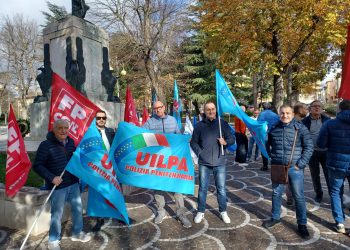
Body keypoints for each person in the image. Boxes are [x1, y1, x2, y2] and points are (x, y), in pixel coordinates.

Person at [33, 119, 91, 250]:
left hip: (73, 183)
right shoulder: (45, 145)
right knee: (57, 213)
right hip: (58, 186)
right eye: (60, 128)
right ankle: (53, 240)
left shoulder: (71, 143)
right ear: (54, 129)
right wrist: (51, 177)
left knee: (77, 209)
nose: (64, 131)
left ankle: (77, 232)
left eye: (66, 128)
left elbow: (76, 159)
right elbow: (37, 165)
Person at [262, 105, 313, 239]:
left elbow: (309, 147)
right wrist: (271, 157)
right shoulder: (274, 127)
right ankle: (275, 217)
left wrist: (300, 164)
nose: (285, 116)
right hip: (278, 166)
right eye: (282, 113)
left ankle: (302, 224)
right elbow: (266, 143)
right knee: (276, 193)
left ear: (292, 114)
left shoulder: (300, 127)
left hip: (295, 168)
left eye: (288, 113)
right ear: (279, 114)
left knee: (298, 196)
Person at [143, 101, 192, 228]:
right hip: (157, 160)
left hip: (172, 160)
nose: (158, 110)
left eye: (160, 107)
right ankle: (161, 211)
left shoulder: (172, 120)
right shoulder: (149, 122)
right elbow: (141, 136)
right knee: (158, 187)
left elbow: (179, 137)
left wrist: (185, 140)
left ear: (164, 107)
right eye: (155, 109)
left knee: (177, 187)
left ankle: (181, 214)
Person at [190, 101, 235, 224]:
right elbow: (193, 142)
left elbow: (232, 138)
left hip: (219, 161)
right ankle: (200, 211)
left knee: (221, 189)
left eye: (213, 109)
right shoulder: (199, 126)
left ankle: (223, 211)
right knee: (203, 188)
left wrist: (225, 142)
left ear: (216, 110)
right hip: (204, 162)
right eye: (208, 109)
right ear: (204, 111)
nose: (211, 111)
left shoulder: (222, 124)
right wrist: (200, 153)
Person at [317, 100, 350, 234]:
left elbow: (321, 144)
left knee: (336, 192)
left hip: (336, 163)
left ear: (339, 109)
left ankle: (340, 223)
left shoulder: (330, 123)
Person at [302, 100, 330, 203]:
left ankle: (332, 193)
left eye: (319, 106)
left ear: (322, 108)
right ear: (310, 108)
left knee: (328, 174)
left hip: (326, 152)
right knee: (315, 174)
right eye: (315, 106)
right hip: (312, 152)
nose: (317, 108)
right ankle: (319, 193)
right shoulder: (305, 121)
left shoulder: (327, 120)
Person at [92, 110, 116, 231]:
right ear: (95, 119)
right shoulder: (91, 132)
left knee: (115, 191)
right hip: (98, 167)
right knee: (99, 193)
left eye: (103, 118)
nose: (101, 119)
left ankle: (117, 214)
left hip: (111, 167)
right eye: (99, 118)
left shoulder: (110, 131)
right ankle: (99, 219)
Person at [257, 102, 280, 171]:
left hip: (265, 134)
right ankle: (275, 165)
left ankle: (265, 165)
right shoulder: (275, 115)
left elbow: (258, 124)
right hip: (274, 133)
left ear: (263, 107)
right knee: (275, 149)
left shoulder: (261, 114)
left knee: (265, 149)